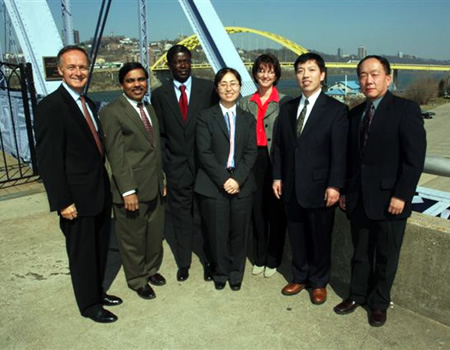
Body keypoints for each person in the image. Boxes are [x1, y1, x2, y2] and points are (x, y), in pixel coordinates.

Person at [334, 55, 426, 327]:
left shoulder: (406, 110)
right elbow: (352, 160)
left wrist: (401, 195)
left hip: (390, 200)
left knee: (386, 255)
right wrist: (346, 192)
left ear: (389, 78)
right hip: (360, 199)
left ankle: (379, 303)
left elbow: (414, 159)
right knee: (360, 252)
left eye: (374, 74)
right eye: (363, 75)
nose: (368, 80)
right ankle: (356, 294)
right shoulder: (355, 113)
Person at [34, 45, 121, 323]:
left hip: (98, 193)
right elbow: (49, 161)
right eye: (71, 67)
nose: (78, 72)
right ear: (60, 70)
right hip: (76, 200)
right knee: (82, 254)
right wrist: (62, 201)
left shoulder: (89, 104)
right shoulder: (51, 107)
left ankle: (97, 291)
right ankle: (89, 305)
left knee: (98, 248)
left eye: (82, 67)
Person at [272, 53, 348, 305]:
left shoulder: (336, 110)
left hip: (320, 187)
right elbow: (281, 148)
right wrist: (277, 176)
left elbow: (340, 152)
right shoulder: (288, 108)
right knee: (297, 235)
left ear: (322, 75)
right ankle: (300, 276)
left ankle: (318, 282)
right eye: (301, 70)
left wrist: (335, 185)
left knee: (319, 237)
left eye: (311, 70)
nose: (305, 75)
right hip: (291, 185)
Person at [99, 62, 166, 300]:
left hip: (154, 184)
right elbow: (116, 155)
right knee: (132, 238)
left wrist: (162, 178)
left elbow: (153, 148)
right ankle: (137, 279)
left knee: (154, 234)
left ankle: (151, 270)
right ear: (122, 85)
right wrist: (128, 191)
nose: (137, 85)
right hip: (132, 189)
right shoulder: (112, 112)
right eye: (131, 81)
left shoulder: (148, 107)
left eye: (141, 79)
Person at [151, 45, 218, 282]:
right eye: (178, 62)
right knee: (181, 218)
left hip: (204, 168)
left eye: (186, 61)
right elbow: (159, 134)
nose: (182, 66)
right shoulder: (159, 95)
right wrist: (165, 166)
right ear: (169, 65)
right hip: (177, 168)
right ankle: (184, 263)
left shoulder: (207, 89)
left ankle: (209, 261)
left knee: (206, 217)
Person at [195, 67, 257, 291]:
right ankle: (220, 272)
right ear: (216, 88)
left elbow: (251, 152)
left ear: (240, 88)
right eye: (223, 84)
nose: (229, 88)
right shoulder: (205, 117)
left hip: (242, 184)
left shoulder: (248, 119)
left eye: (233, 83)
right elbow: (204, 153)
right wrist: (225, 179)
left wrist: (237, 179)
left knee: (239, 233)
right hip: (214, 184)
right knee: (217, 232)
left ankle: (235, 273)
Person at [239, 54, 290, 278]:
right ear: (255, 74)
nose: (265, 75)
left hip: (275, 160)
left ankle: (273, 258)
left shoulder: (286, 102)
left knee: (276, 212)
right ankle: (259, 256)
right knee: (256, 212)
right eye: (261, 70)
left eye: (270, 71)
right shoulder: (245, 102)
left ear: (276, 74)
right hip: (252, 162)